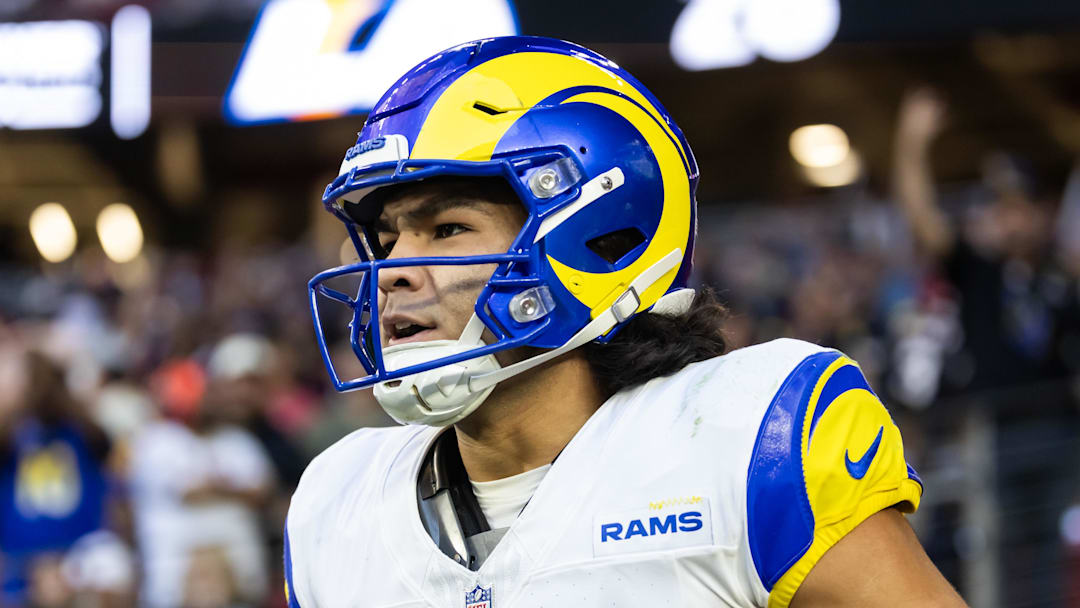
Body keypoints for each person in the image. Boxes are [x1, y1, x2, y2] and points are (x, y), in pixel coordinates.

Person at [288, 37, 966, 607]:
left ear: (596, 234)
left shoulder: (751, 434)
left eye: (447, 229)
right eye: (386, 238)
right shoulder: (335, 501)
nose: (393, 270)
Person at [893, 86, 1080, 607]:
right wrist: (911, 143)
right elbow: (923, 220)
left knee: (1047, 549)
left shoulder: (1061, 276)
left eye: (1021, 207)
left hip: (1058, 430)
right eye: (1003, 207)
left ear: (1042, 213)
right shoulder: (978, 269)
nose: (1011, 218)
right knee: (996, 546)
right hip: (993, 432)